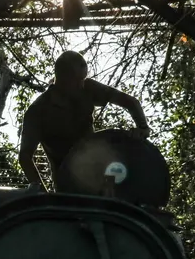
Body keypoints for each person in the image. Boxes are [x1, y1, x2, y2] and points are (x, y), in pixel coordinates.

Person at [17, 50, 151, 190]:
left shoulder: (87, 88)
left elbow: (131, 102)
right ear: (62, 77)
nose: (81, 84)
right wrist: (43, 196)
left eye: (83, 79)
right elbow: (25, 157)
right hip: (67, 186)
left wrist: (143, 128)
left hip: (100, 176)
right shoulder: (38, 111)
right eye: (77, 80)